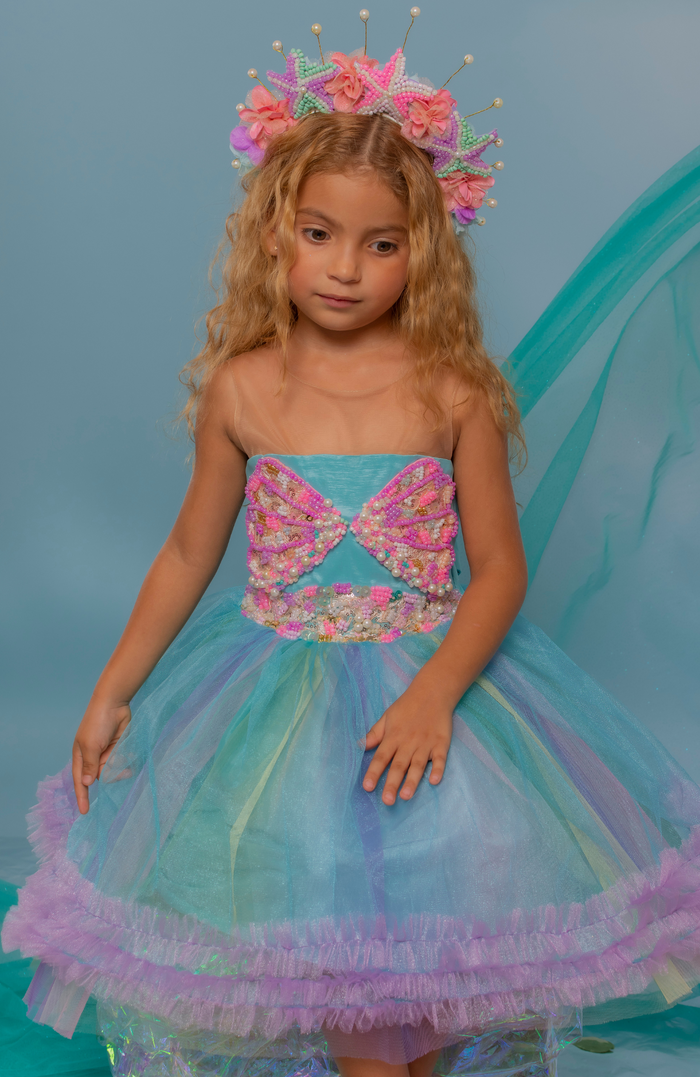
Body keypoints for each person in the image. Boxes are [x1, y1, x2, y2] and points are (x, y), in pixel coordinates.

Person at [4, 33, 700, 1077]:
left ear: (425, 251)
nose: (344, 267)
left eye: (381, 244)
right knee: (340, 964)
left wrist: (435, 695)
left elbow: (501, 569)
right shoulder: (244, 388)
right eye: (320, 233)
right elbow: (190, 551)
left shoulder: (452, 389)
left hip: (432, 693)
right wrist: (113, 689)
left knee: (425, 974)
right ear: (274, 231)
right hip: (277, 703)